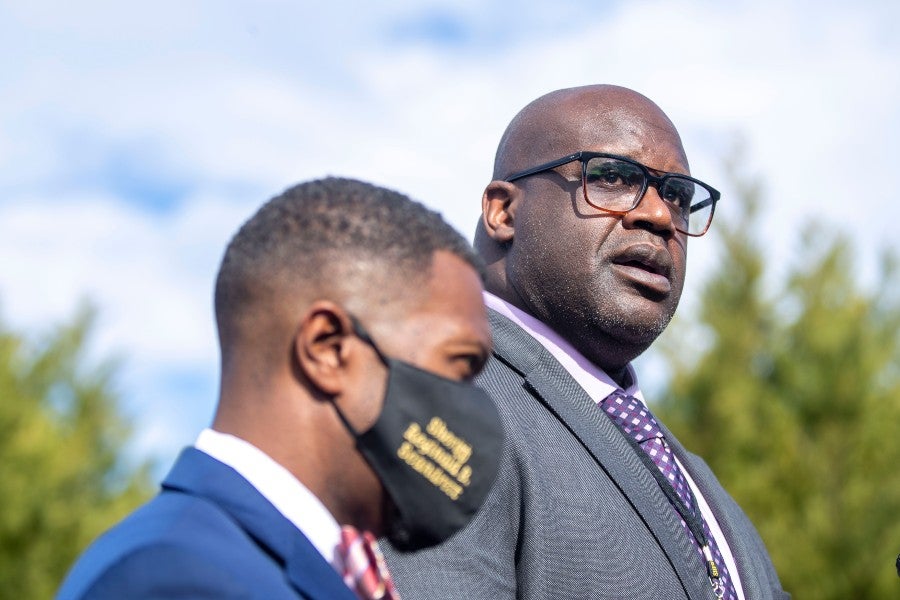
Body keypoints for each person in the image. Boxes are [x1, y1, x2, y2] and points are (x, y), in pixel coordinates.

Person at [383, 85, 789, 599]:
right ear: (504, 213)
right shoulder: (443, 398)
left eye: (677, 197)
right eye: (614, 177)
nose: (661, 217)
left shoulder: (696, 482)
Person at [57, 177, 505, 599]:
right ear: (327, 348)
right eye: (461, 365)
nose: (475, 402)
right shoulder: (177, 578)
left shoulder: (304, 567)